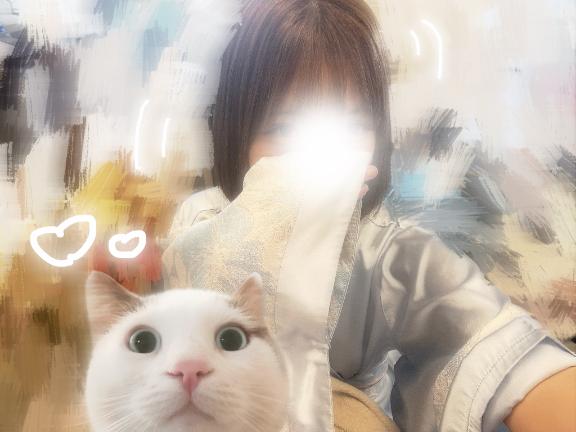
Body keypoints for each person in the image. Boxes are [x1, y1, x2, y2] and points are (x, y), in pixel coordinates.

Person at [166, 0, 576, 431]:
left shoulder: (389, 252)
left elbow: (506, 354)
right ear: (236, 134)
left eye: (351, 126)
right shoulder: (203, 222)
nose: (323, 156)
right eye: (285, 129)